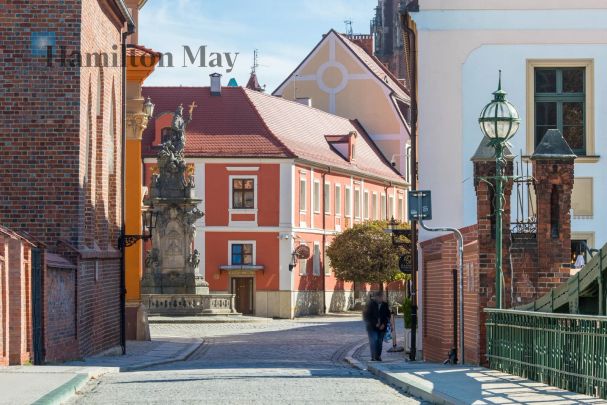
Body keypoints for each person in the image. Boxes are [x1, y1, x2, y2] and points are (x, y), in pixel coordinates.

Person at [363, 291, 391, 361]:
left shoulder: (385, 305)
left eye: (382, 297)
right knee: (374, 341)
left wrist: (384, 324)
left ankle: (378, 356)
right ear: (376, 297)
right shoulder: (371, 304)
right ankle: (373, 357)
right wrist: (375, 323)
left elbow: (388, 316)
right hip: (372, 327)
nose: (381, 298)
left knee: (379, 342)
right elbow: (367, 316)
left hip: (382, 327)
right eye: (380, 297)